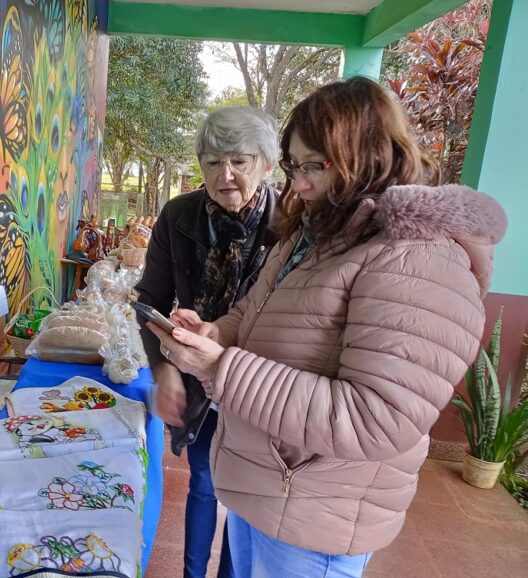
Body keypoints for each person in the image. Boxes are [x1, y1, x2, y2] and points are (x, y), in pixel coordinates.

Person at [147, 77, 507, 577]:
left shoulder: (419, 256)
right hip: (272, 483)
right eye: (294, 166)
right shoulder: (316, 231)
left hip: (317, 509)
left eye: (314, 165)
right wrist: (218, 333)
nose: (298, 183)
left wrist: (223, 367)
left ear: (368, 155)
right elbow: (254, 312)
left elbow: (378, 417)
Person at [135, 106, 279, 578]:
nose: (227, 175)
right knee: (203, 483)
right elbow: (150, 300)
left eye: (239, 160)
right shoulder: (179, 216)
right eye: (213, 162)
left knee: (244, 499)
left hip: (262, 384)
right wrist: (166, 371)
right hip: (198, 380)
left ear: (267, 163)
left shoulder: (291, 226)